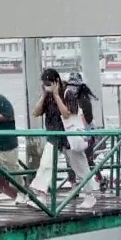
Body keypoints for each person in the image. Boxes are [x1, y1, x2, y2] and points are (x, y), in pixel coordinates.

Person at [29, 68, 68, 198]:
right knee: (47, 163)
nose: (47, 87)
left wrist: (57, 96)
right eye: (44, 84)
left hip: (65, 134)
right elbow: (35, 113)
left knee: (79, 166)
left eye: (49, 84)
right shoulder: (47, 96)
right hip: (52, 134)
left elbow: (66, 114)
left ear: (56, 82)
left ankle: (90, 190)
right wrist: (44, 95)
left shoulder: (66, 93)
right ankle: (41, 193)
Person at [60, 78, 98, 208]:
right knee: (80, 164)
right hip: (72, 136)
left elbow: (82, 117)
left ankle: (90, 190)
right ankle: (81, 188)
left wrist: (85, 132)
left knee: (85, 162)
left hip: (78, 136)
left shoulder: (73, 98)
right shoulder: (71, 97)